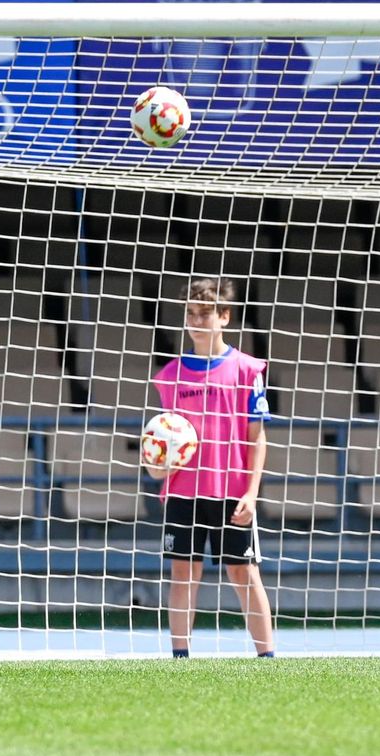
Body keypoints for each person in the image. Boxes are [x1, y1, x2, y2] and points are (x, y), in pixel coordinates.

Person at [149, 277, 275, 659]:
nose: (196, 321)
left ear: (224, 316)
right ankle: (180, 659)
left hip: (232, 492)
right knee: (184, 573)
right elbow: (164, 440)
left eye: (204, 313)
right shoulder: (170, 376)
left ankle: (268, 660)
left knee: (243, 573)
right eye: (190, 313)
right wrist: (156, 467)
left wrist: (252, 493)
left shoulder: (246, 370)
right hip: (184, 492)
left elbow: (257, 438)